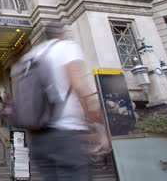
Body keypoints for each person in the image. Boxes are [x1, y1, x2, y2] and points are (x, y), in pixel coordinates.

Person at [28, 26, 111, 181]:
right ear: (63, 34)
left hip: (38, 140)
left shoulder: (33, 55)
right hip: (65, 136)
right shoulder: (67, 47)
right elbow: (79, 86)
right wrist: (101, 131)